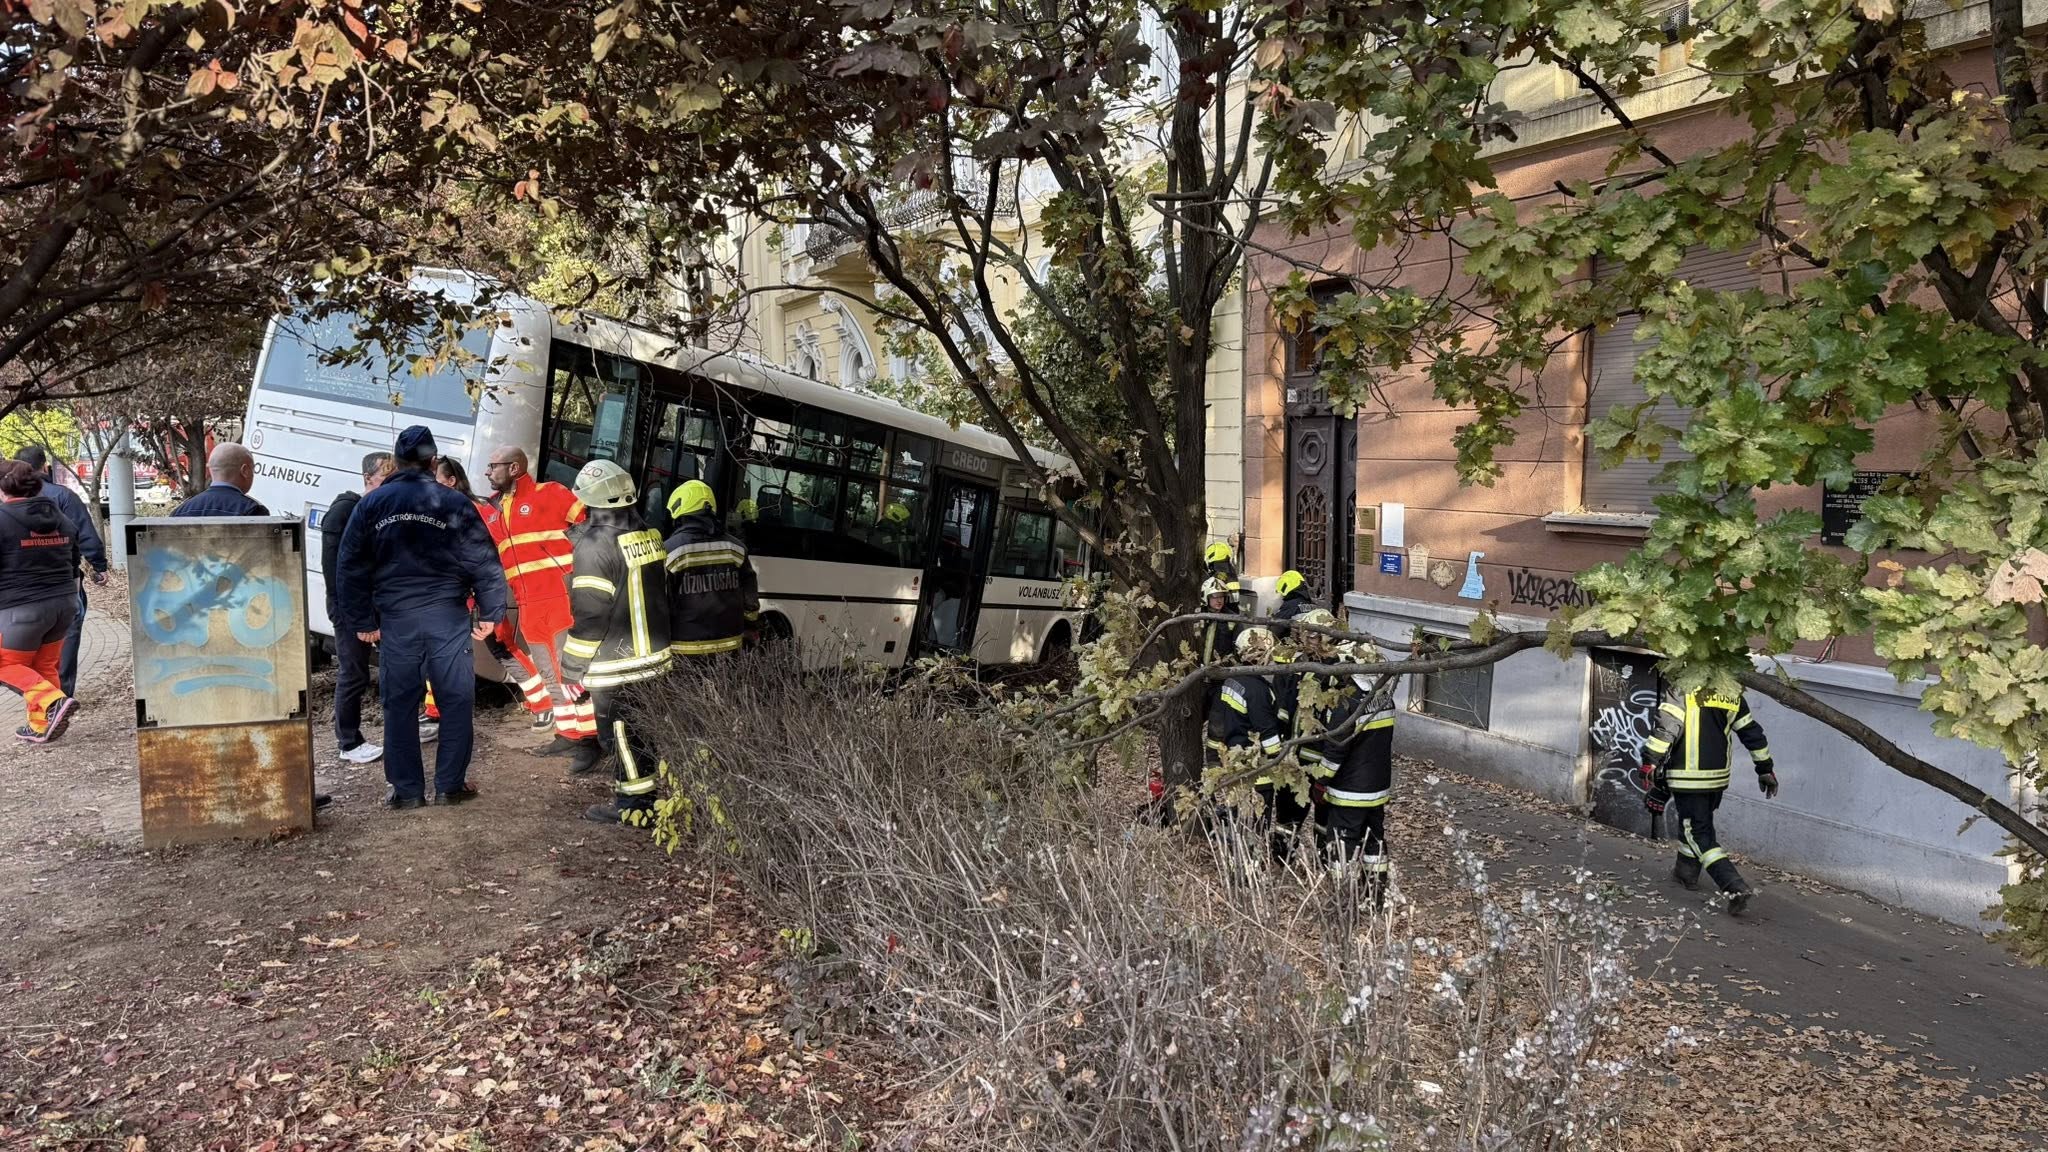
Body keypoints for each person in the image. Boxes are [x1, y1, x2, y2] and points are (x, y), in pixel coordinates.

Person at [335, 426, 509, 810]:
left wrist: (362, 620)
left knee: (399, 703)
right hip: (447, 616)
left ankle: (406, 790)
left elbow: (349, 568)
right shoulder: (454, 503)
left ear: (395, 462)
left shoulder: (372, 505)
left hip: (397, 619)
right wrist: (491, 610)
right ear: (433, 463)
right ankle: (449, 785)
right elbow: (484, 560)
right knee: (456, 700)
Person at [557, 460, 674, 823]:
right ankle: (648, 800)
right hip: (653, 659)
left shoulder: (593, 548)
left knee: (620, 737)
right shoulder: (648, 535)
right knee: (642, 735)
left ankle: (634, 809)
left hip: (616, 664)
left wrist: (572, 667)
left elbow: (591, 616)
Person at [435, 457, 557, 730]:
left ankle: (543, 704)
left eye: (437, 481)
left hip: (478, 594)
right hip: (463, 593)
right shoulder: (474, 506)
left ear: (451, 481)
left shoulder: (470, 511)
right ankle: (434, 711)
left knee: (503, 649)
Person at [484, 445, 588, 754]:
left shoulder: (551, 493)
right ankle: (569, 735)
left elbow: (589, 526)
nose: (488, 472)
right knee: (549, 672)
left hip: (559, 599)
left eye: (494, 466)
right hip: (527, 603)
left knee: (571, 671)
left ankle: (590, 740)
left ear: (514, 468)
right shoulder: (494, 510)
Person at [1641, 688, 1779, 914]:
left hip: (1688, 777)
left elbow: (1667, 728)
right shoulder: (1730, 691)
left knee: (1697, 832)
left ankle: (1733, 886)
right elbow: (1751, 732)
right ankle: (1685, 873)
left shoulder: (1682, 688)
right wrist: (1765, 769)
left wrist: (1650, 762)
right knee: (1695, 824)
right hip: (1716, 778)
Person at [1298, 610, 1397, 908]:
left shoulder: (1346, 702)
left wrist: (1320, 781)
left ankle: (1344, 903)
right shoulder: (1384, 697)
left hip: (1349, 793)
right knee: (1375, 843)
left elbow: (1336, 751)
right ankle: (1375, 897)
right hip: (1378, 790)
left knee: (1342, 846)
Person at [12, 446, 108, 697]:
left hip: (21, 593)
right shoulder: (63, 497)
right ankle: (61, 695)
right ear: (44, 466)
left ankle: (43, 700)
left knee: (26, 649)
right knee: (65, 639)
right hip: (64, 585)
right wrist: (99, 565)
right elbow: (85, 536)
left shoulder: (8, 507)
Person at [1205, 625, 1306, 862]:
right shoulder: (1258, 690)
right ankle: (1248, 869)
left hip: (1234, 763)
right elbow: (1268, 733)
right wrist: (1283, 761)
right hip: (1257, 774)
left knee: (1237, 819)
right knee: (1254, 825)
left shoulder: (1232, 680)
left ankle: (1235, 864)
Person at [0, 461, 82, 743]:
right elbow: (74, 558)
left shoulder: (1, 518)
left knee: (5, 665)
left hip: (19, 610)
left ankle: (53, 701)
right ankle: (39, 725)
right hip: (63, 604)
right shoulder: (59, 516)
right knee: (44, 666)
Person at [320, 452, 392, 767]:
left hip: (377, 606)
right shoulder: (344, 512)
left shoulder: (380, 512)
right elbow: (337, 574)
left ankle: (401, 726)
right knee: (354, 674)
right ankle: (348, 742)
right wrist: (360, 619)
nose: (391, 487)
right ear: (367, 479)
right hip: (351, 611)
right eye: (384, 480)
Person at [664, 479, 760, 658]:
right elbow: (751, 601)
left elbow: (662, 605)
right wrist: (749, 626)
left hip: (684, 650)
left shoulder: (670, 552)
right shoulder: (737, 548)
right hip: (730, 649)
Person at [171, 443, 271, 517]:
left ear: (211, 470)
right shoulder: (253, 511)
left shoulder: (180, 512)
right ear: (245, 471)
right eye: (252, 469)